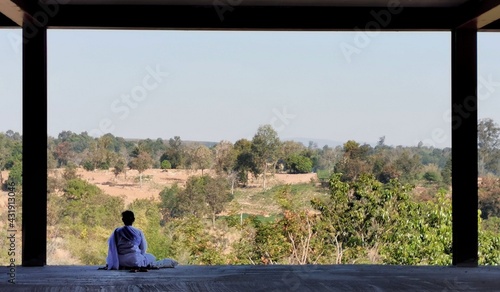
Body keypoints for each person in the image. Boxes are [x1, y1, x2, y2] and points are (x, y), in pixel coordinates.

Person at [106, 210, 177, 271]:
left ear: (122, 220)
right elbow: (143, 248)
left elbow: (112, 247)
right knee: (151, 257)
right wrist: (140, 257)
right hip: (135, 260)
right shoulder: (138, 232)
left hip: (119, 261)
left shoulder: (117, 231)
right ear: (133, 219)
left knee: (147, 258)